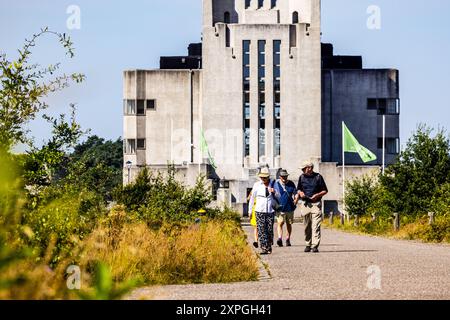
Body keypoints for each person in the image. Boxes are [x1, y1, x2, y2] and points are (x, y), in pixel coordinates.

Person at [296, 161, 328, 253]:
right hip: (305, 204)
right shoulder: (301, 177)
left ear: (310, 168)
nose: (302, 170)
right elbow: (298, 189)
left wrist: (317, 195)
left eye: (304, 168)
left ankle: (315, 246)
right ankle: (308, 244)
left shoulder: (318, 177)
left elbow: (325, 190)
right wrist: (300, 193)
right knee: (307, 226)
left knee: (316, 226)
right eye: (302, 169)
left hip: (316, 204)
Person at [248, 167, 276, 255]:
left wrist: (274, 192)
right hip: (259, 210)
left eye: (265, 177)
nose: (263, 179)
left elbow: (279, 196)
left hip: (270, 210)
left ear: (268, 177)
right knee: (261, 229)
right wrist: (250, 211)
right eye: (262, 177)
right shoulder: (257, 185)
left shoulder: (274, 184)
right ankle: (264, 248)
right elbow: (252, 199)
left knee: (269, 229)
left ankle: (269, 245)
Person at [273, 169, 297, 247]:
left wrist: (296, 199)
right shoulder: (276, 184)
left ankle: (287, 239)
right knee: (280, 223)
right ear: (280, 177)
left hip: (290, 207)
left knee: (289, 224)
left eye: (285, 176)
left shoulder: (291, 183)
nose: (284, 178)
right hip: (280, 208)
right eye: (283, 176)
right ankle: (280, 238)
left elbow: (295, 193)